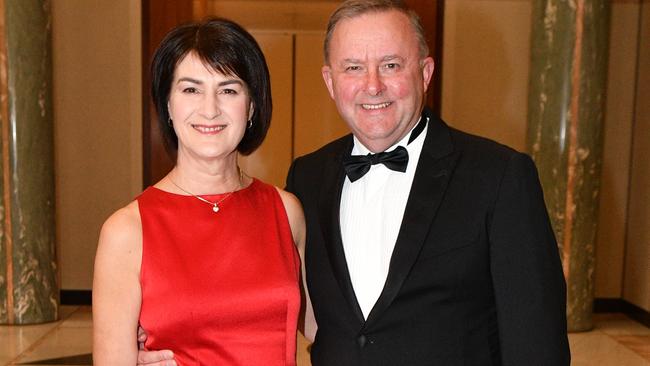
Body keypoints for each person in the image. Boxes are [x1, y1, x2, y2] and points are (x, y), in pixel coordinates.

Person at [137, 1, 571, 365]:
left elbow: (537, 343)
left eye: (390, 64)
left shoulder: (498, 176)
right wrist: (155, 340)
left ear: (424, 72)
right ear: (330, 80)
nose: (372, 85)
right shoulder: (307, 178)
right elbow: (276, 308)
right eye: (353, 67)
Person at [93, 17, 305, 366]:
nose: (210, 109)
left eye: (229, 90)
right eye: (191, 89)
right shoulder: (126, 231)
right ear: (167, 105)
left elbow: (325, 326)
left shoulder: (286, 211)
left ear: (251, 106)